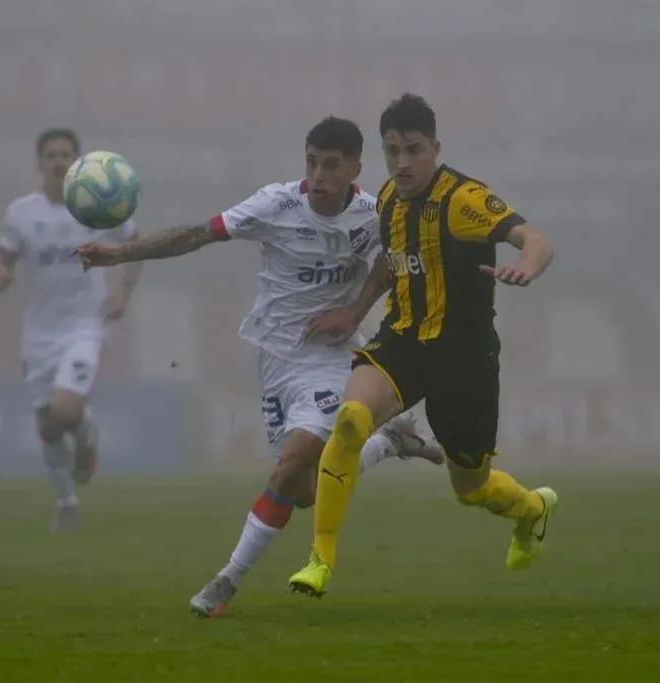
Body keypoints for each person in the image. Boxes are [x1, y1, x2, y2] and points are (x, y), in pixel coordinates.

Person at [74, 116, 444, 616]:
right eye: (312, 163)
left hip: (331, 356)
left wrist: (355, 311)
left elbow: (391, 262)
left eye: (331, 165)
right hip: (275, 358)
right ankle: (388, 443)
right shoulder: (276, 205)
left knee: (288, 466)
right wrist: (120, 253)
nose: (318, 175)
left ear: (354, 169)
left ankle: (226, 581)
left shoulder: (373, 216)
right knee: (304, 490)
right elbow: (196, 235)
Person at [288, 94, 559, 598]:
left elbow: (536, 240)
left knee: (472, 488)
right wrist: (356, 309)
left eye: (413, 150)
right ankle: (319, 559)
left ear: (435, 148)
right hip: (404, 342)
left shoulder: (464, 200)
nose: (402, 162)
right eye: (393, 151)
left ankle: (534, 508)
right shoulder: (389, 199)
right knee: (350, 421)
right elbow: (393, 265)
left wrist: (526, 267)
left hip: (464, 360)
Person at [0, 128, 142, 531]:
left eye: (65, 155)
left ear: (77, 163)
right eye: (51, 155)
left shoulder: (96, 204)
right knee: (48, 426)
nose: (58, 162)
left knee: (65, 409)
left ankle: (86, 432)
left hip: (84, 326)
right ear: (39, 163)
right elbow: (4, 256)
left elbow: (135, 244)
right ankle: (66, 502)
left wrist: (123, 292)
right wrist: (2, 273)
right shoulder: (21, 213)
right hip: (38, 332)